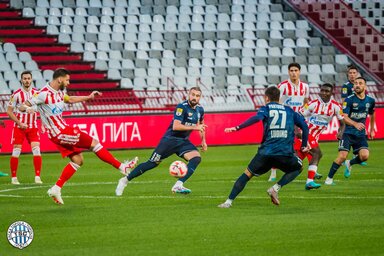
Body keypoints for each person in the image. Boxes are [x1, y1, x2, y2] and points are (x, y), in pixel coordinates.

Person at [19, 68, 138, 205]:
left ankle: (56, 188)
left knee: (78, 160)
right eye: (67, 80)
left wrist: (89, 97)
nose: (69, 83)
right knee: (94, 143)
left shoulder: (59, 92)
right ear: (60, 79)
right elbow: (22, 106)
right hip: (60, 132)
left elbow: (69, 99)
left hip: (61, 131)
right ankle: (122, 167)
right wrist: (29, 109)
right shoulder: (43, 94)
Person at [218, 86, 309, 208]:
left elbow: (256, 118)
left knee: (247, 174)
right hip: (285, 153)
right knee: (298, 167)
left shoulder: (266, 109)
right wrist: (303, 145)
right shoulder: (290, 111)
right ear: (279, 98)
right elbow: (305, 126)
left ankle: (228, 202)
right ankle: (275, 188)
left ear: (266, 98)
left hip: (266, 152)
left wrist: (237, 128)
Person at [115, 87, 207, 196]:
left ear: (199, 97)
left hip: (183, 142)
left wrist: (203, 141)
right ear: (188, 94)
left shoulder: (200, 109)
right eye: (193, 94)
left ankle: (178, 184)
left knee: (196, 158)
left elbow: (201, 126)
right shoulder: (182, 107)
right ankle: (124, 180)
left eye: (197, 96)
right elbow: (176, 126)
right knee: (151, 163)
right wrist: (195, 128)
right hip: (170, 141)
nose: (194, 97)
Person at [325, 77, 375, 185]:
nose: (357, 85)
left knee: (364, 156)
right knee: (342, 156)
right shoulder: (349, 100)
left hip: (360, 134)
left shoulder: (371, 101)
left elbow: (372, 113)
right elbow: (344, 117)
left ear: (365, 86)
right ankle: (329, 179)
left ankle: (349, 163)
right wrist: (355, 124)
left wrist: (371, 129)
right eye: (356, 83)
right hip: (347, 133)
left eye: (360, 83)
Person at [298, 83, 345, 190]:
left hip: (315, 136)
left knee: (298, 162)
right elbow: (299, 115)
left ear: (331, 93)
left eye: (326, 91)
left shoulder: (336, 106)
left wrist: (340, 132)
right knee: (317, 153)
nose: (323, 93)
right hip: (306, 133)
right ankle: (309, 182)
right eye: (322, 90)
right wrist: (298, 130)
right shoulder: (312, 104)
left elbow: (342, 123)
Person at [269, 62, 310, 182]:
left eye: (295, 70)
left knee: (308, 142)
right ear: (288, 72)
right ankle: (273, 171)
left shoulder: (305, 87)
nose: (293, 73)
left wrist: (305, 113)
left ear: (299, 72)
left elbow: (306, 101)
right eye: (291, 70)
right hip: (285, 119)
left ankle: (312, 168)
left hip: (299, 118)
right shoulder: (282, 86)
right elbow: (277, 102)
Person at [6, 71, 43, 184]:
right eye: (25, 78)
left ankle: (37, 177)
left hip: (33, 126)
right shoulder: (16, 94)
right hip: (19, 126)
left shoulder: (37, 93)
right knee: (16, 151)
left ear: (31, 80)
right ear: (21, 80)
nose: (27, 80)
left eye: (28, 78)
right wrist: (19, 123)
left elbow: (42, 107)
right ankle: (14, 178)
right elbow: (9, 111)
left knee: (36, 150)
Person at [340, 65, 367, 166]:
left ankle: (357, 155)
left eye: (354, 73)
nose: (352, 75)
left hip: (359, 114)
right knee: (347, 133)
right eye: (350, 73)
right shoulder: (346, 86)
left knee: (358, 133)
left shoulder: (361, 85)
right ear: (348, 74)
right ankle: (345, 154)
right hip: (349, 114)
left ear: (357, 74)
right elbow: (343, 101)